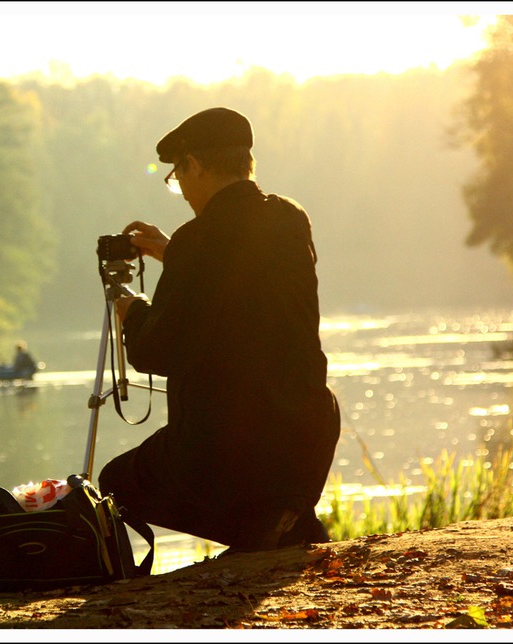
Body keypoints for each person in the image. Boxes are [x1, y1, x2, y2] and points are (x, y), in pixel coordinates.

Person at [98, 107, 341, 553]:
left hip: (229, 450)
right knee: (257, 461)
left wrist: (131, 310)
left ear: (195, 164)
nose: (183, 190)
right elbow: (247, 285)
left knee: (115, 481)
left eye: (178, 175)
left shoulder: (198, 240)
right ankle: (282, 523)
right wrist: (175, 254)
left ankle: (255, 532)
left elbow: (156, 353)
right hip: (307, 434)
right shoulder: (290, 218)